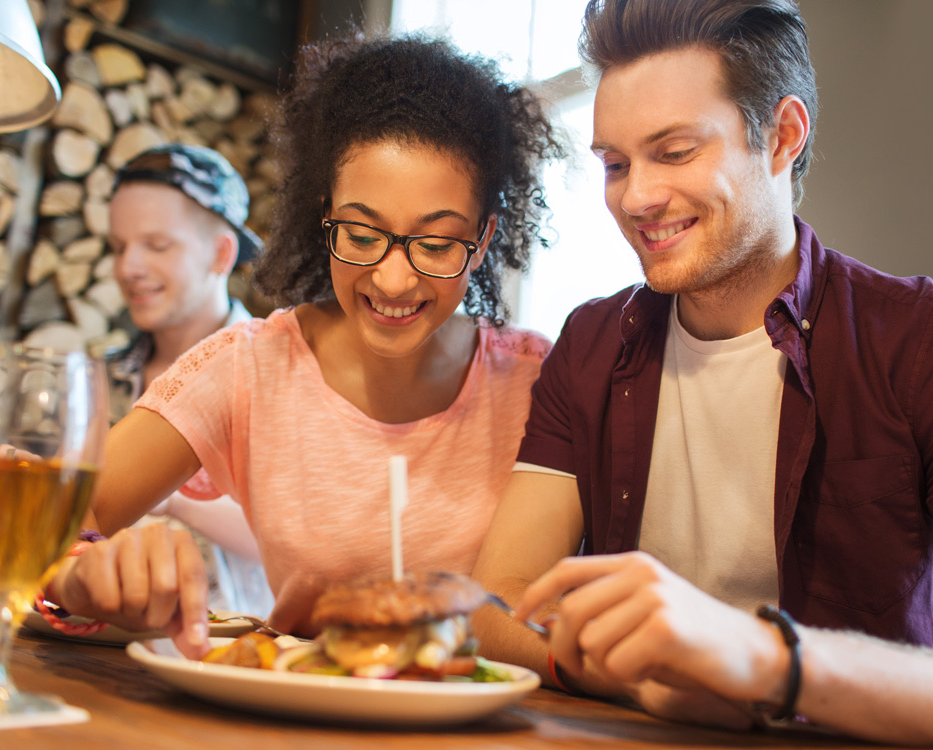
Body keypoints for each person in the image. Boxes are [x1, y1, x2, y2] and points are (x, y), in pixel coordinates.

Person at [472, 0, 933, 744]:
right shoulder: (595, 342)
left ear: (783, 136)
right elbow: (494, 605)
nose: (636, 197)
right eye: (615, 164)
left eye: (674, 152)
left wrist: (764, 659)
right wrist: (634, 678)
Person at [42, 31, 562, 657]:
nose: (393, 279)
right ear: (325, 216)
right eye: (363, 234)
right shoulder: (247, 367)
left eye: (435, 243)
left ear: (481, 242)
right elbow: (54, 524)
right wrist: (79, 577)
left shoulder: (540, 382)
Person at [106, 144, 272, 615]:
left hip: (233, 657)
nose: (127, 268)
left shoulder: (281, 374)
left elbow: (309, 540)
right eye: (118, 247)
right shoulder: (99, 380)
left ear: (221, 254)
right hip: (91, 644)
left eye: (157, 245)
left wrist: (166, 496)